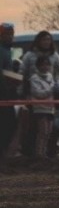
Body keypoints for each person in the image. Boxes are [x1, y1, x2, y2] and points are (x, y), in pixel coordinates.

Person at [19, 30, 59, 156]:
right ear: (38, 41)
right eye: (44, 40)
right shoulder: (30, 55)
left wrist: (58, 82)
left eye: (48, 40)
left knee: (50, 126)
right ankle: (30, 152)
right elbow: (22, 72)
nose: (46, 42)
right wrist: (23, 90)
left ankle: (48, 151)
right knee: (33, 125)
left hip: (50, 91)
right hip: (33, 90)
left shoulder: (54, 55)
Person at [30, 55, 56, 159]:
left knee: (48, 132)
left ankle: (44, 152)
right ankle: (39, 154)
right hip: (39, 108)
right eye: (42, 64)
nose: (45, 67)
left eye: (47, 64)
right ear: (38, 66)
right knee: (43, 131)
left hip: (50, 107)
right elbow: (38, 93)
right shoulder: (34, 78)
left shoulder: (50, 76)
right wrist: (51, 90)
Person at [0, 22, 19, 159]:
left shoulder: (7, 51)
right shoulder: (2, 51)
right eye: (7, 34)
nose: (10, 37)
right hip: (4, 96)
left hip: (6, 94)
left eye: (11, 34)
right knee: (7, 126)